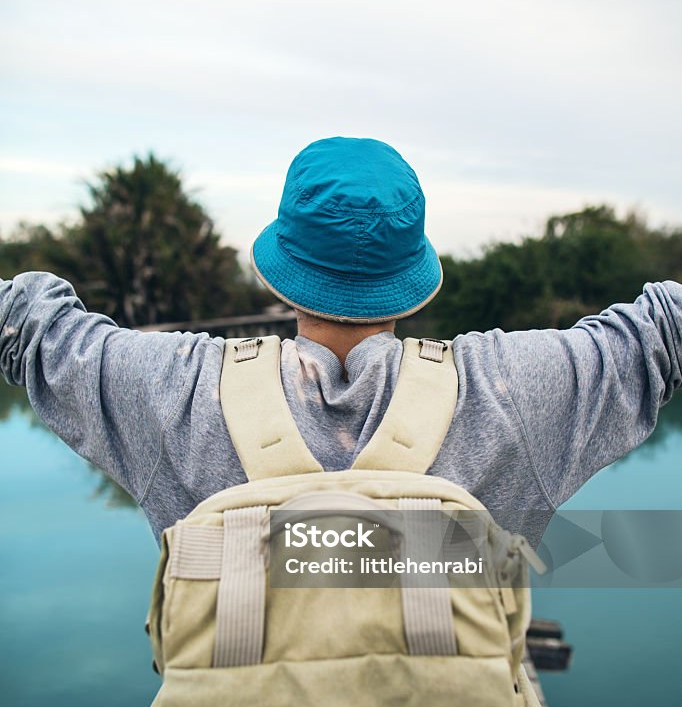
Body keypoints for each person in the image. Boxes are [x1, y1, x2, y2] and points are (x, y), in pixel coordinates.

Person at [1, 136, 680, 553]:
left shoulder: (174, 389)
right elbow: (660, 329)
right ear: (413, 280)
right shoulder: (514, 389)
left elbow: (33, 328)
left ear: (282, 272)